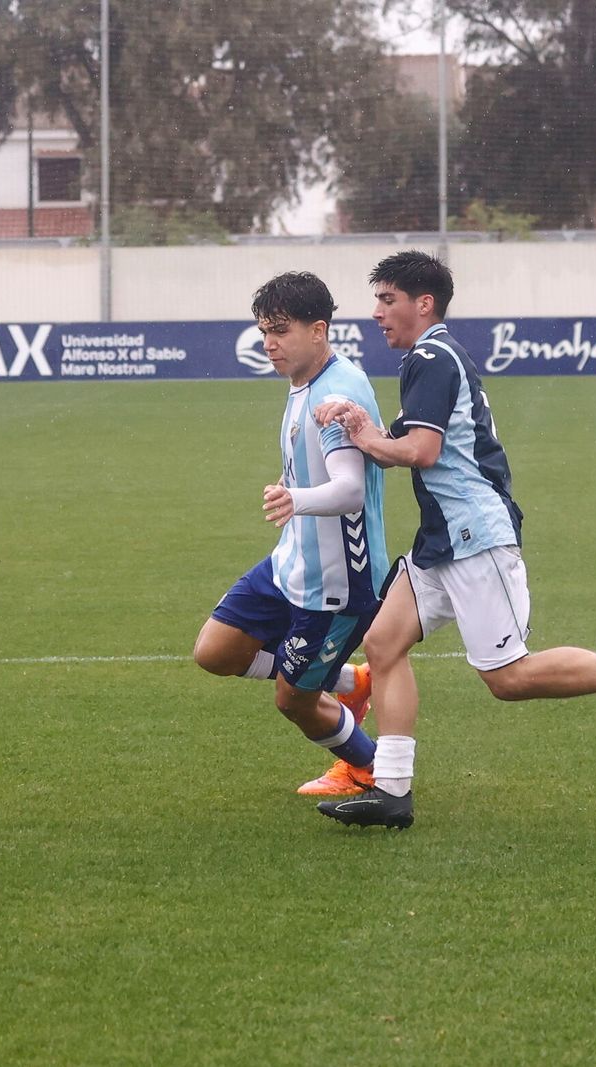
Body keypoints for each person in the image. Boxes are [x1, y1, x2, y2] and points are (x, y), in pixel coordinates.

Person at [312, 250, 596, 830]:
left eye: (387, 300)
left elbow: (418, 452)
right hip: (440, 540)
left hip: (474, 535)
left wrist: (366, 437)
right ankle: (391, 791)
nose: (376, 313)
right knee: (383, 644)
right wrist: (357, 420)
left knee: (509, 679)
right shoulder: (434, 357)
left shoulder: (431, 356)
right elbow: (407, 437)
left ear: (424, 305)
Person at [192, 271, 390, 794]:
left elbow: (349, 490)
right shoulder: (307, 379)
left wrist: (293, 498)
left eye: (280, 330)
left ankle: (370, 771)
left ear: (319, 330)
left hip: (337, 582)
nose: (269, 344)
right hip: (291, 563)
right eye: (264, 331)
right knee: (216, 651)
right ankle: (352, 681)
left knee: (295, 701)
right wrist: (295, 481)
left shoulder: (336, 394)